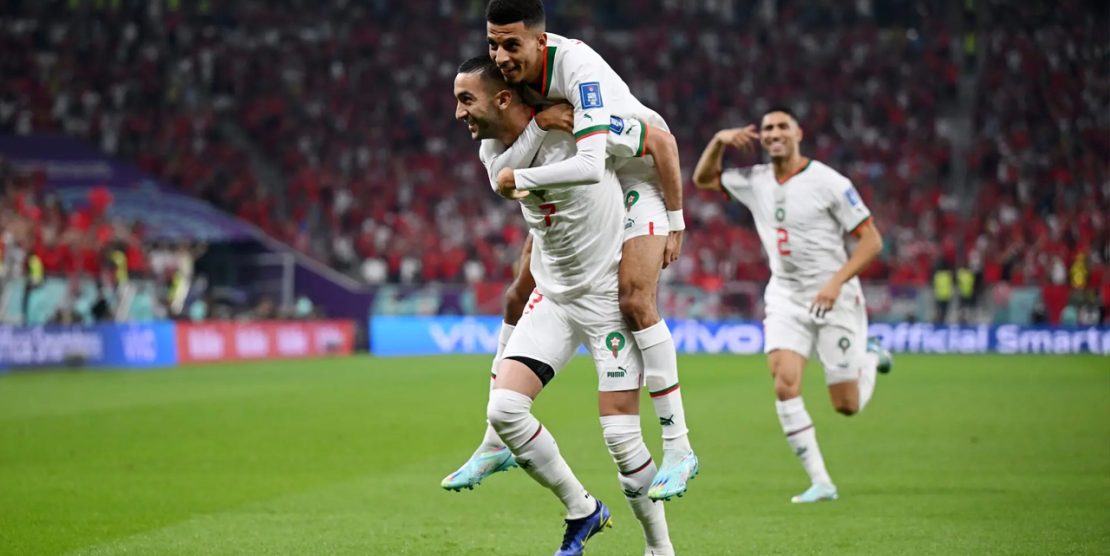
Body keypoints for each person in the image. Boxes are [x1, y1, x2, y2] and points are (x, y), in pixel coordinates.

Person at [449, 56, 675, 556]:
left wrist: (673, 222)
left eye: (466, 100)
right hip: (554, 296)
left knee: (622, 441)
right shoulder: (492, 147)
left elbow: (659, 144)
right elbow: (503, 179)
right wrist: (537, 126)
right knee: (505, 409)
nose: (459, 113)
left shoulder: (582, 127)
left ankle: (660, 548)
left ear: (502, 98)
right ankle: (583, 509)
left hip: (605, 298)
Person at [479, 0, 697, 502]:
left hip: (637, 174)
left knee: (634, 299)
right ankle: (493, 438)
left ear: (541, 40)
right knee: (517, 293)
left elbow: (652, 148)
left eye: (511, 44)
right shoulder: (513, 81)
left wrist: (676, 222)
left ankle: (679, 447)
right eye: (492, 44)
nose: (500, 56)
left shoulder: (580, 73)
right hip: (584, 189)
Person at [692, 108, 893, 503]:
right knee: (784, 382)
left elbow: (872, 241)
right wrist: (718, 141)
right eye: (767, 128)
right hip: (785, 296)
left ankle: (869, 359)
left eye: (782, 126)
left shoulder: (830, 183)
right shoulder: (755, 179)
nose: (774, 133)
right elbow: (703, 179)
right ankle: (822, 482)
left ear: (798, 133)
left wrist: (835, 284)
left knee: (846, 405)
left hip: (834, 297)